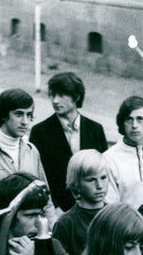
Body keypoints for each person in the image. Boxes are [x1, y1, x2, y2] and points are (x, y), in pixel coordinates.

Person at [30, 72, 108, 211]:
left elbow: (103, 172)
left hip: (92, 208)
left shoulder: (95, 129)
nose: (55, 101)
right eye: (52, 95)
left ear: (76, 96)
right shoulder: (40, 132)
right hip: (58, 211)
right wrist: (54, 208)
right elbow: (38, 177)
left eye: (61, 95)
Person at [52, 149, 110, 255]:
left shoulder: (116, 215)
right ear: (76, 183)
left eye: (103, 178)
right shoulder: (65, 224)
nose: (99, 186)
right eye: (91, 180)